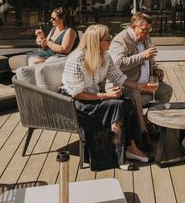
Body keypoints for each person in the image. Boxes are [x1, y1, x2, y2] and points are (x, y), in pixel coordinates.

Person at [60, 24, 151, 168]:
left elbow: (119, 78)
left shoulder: (106, 56)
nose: (111, 40)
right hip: (76, 101)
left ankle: (131, 146)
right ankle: (120, 158)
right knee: (117, 104)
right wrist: (106, 95)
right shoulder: (77, 59)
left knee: (127, 102)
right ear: (96, 41)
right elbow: (77, 93)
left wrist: (140, 87)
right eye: (107, 39)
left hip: (94, 95)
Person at [109, 12, 173, 135]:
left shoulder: (146, 38)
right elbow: (118, 64)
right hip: (128, 85)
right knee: (135, 95)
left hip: (146, 84)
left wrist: (156, 70)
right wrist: (142, 56)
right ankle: (141, 130)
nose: (147, 34)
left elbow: (151, 60)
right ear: (133, 27)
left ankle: (151, 121)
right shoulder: (120, 40)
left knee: (166, 90)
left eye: (149, 30)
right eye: (144, 30)